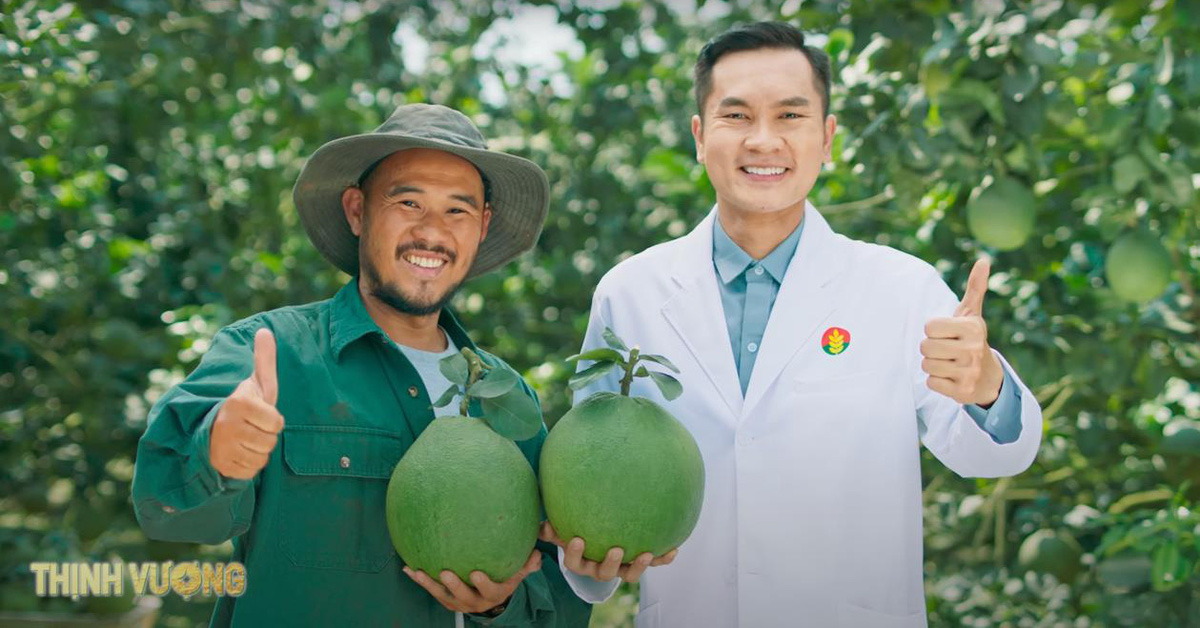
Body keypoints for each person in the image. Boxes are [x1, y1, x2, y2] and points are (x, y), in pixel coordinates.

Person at [544, 22, 1043, 627]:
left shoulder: (902, 288)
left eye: (789, 116)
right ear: (700, 137)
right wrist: (591, 560)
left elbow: (990, 459)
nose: (763, 140)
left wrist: (985, 385)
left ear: (827, 138)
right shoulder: (631, 294)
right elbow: (589, 481)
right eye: (736, 116)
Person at [131, 103, 591, 627]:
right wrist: (218, 451)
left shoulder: (508, 399)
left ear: (482, 226)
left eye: (457, 210)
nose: (432, 231)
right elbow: (164, 506)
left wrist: (498, 605)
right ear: (357, 210)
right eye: (408, 202)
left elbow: (556, 599)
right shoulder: (269, 352)